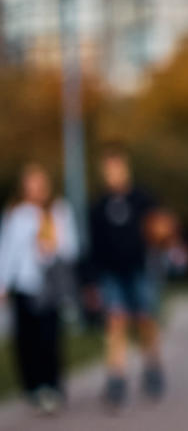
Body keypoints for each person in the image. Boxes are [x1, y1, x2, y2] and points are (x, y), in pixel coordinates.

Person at [85, 143, 169, 409]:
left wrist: (162, 236)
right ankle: (116, 376)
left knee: (145, 320)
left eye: (117, 168)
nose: (113, 174)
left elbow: (160, 228)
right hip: (111, 272)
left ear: (126, 168)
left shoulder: (143, 199)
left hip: (140, 268)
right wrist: (90, 281)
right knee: (116, 321)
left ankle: (152, 366)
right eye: (108, 170)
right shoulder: (98, 206)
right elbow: (93, 246)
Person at [0, 162, 78, 414]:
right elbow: (7, 251)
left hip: (50, 285)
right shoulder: (16, 213)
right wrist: (3, 283)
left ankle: (52, 385)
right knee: (26, 339)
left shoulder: (58, 211)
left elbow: (71, 248)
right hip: (24, 284)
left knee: (49, 338)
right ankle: (33, 387)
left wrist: (52, 245)